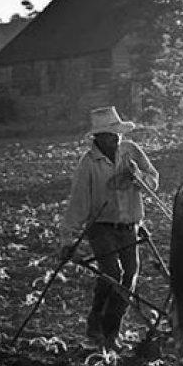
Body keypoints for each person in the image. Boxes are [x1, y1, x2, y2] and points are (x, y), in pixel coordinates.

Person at [58, 106, 159, 349]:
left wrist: (137, 178)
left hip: (130, 224)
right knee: (111, 273)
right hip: (101, 226)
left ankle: (111, 327)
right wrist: (67, 240)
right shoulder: (89, 163)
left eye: (116, 135)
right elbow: (79, 201)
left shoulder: (131, 151)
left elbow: (153, 182)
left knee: (131, 274)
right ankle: (97, 324)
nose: (114, 139)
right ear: (98, 138)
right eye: (109, 136)